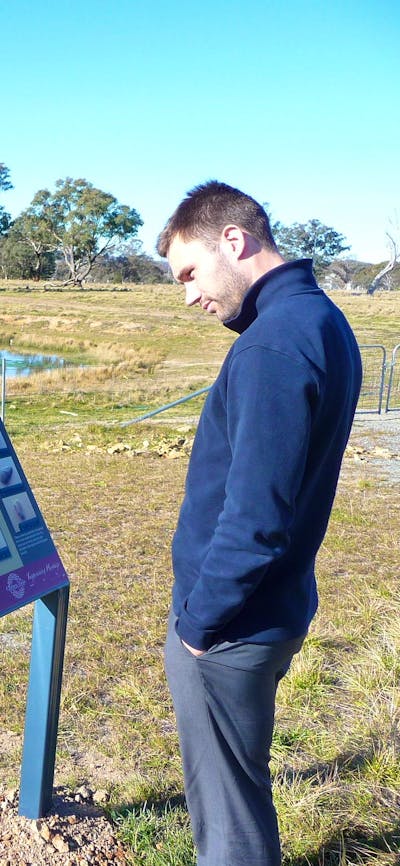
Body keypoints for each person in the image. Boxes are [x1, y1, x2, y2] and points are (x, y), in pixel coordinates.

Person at [157, 181, 362, 866]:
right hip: (266, 610)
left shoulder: (275, 343)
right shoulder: (316, 317)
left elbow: (255, 519)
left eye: (189, 272)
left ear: (235, 242)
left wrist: (197, 627)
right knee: (238, 801)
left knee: (230, 825)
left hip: (230, 630)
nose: (187, 294)